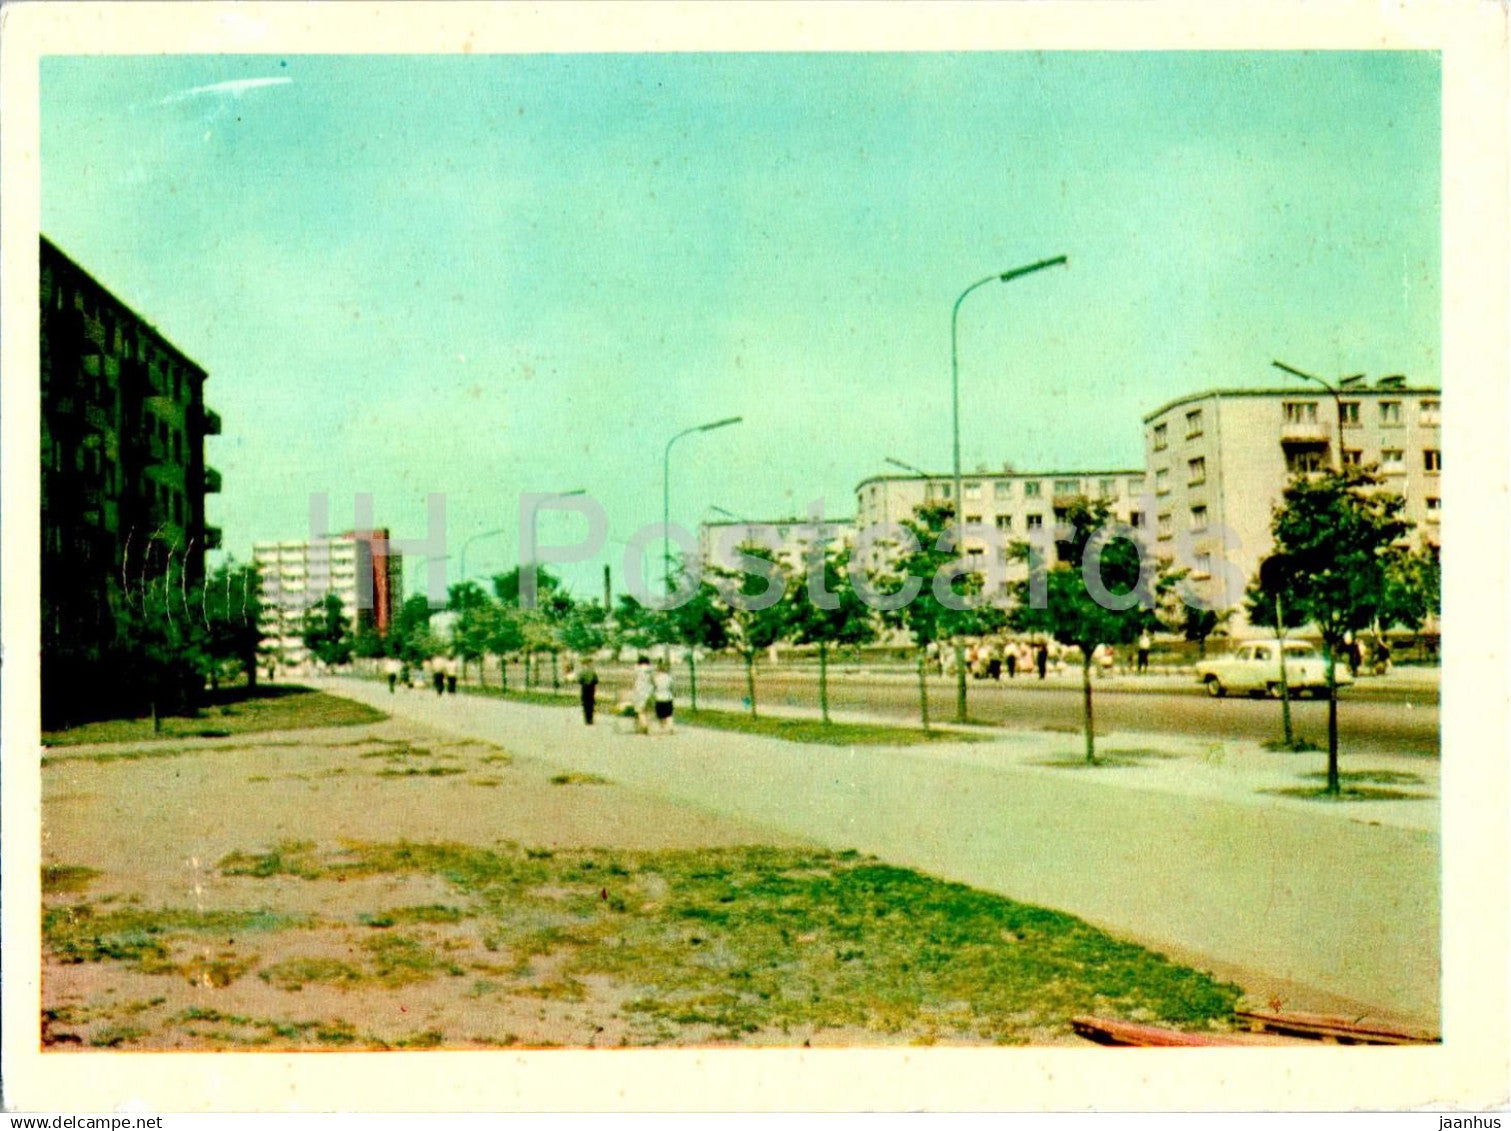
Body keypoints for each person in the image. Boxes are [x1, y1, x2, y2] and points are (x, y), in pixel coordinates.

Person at [632, 656, 654, 735]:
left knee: (640, 711)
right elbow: (653, 680)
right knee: (648, 710)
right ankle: (646, 724)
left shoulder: (637, 669)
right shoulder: (651, 669)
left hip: (639, 691)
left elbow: (634, 678)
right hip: (649, 691)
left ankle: (644, 725)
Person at [652, 660, 676, 735]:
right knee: (669, 714)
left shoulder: (656, 678)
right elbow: (672, 687)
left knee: (660, 715)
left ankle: (662, 729)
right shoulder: (669, 678)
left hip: (659, 697)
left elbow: (654, 687)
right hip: (668, 697)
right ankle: (670, 727)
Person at [578, 657, 600, 725]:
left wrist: (584, 683)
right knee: (591, 703)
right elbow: (596, 680)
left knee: (585, 703)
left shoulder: (582, 671)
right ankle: (590, 719)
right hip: (591, 688)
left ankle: (586, 719)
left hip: (584, 688)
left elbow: (579, 680)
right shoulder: (593, 672)